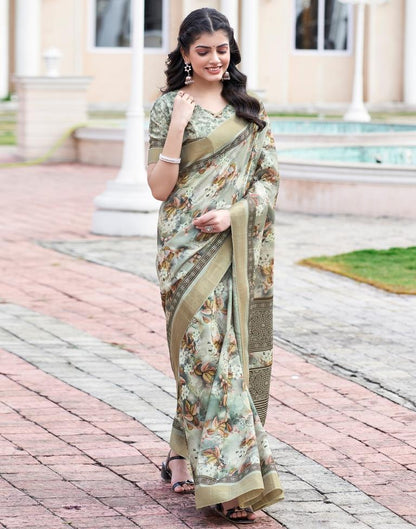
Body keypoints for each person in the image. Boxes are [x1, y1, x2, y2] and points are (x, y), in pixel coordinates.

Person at [147, 7, 283, 524]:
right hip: (183, 250)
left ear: (232, 51)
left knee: (220, 363)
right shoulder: (166, 108)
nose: (214, 58)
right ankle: (194, 459)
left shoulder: (249, 109)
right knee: (201, 359)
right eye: (202, 50)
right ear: (184, 55)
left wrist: (234, 214)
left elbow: (269, 180)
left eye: (222, 49)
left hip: (233, 246)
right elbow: (159, 189)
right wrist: (179, 126)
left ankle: (226, 480)